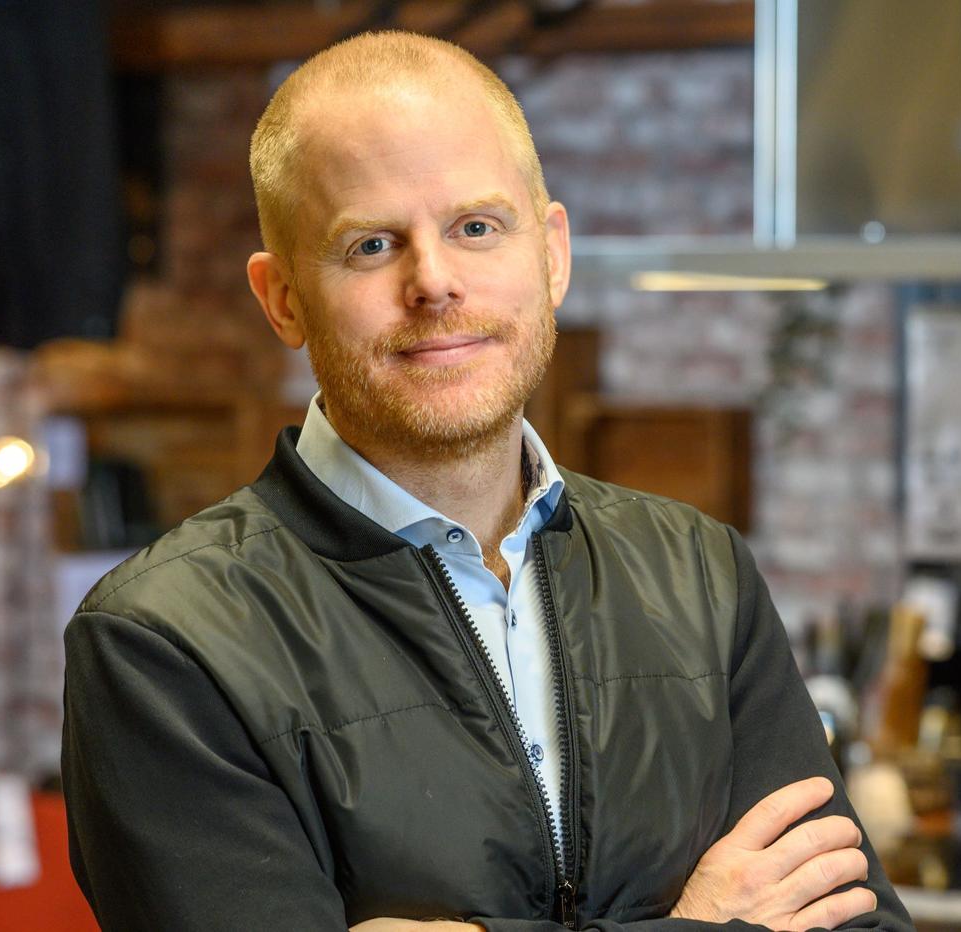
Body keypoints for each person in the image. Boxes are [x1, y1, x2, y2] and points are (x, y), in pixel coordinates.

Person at [60, 30, 914, 932]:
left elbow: (855, 923)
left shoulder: (702, 575)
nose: (434, 283)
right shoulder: (161, 645)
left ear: (551, 255)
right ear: (283, 299)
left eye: (476, 227)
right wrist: (705, 925)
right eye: (372, 245)